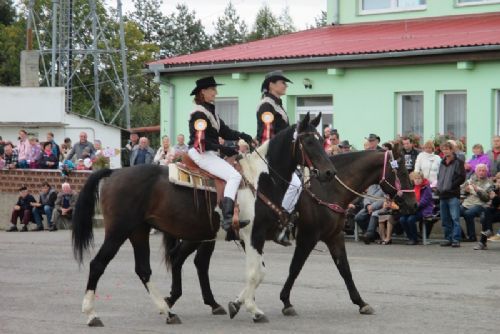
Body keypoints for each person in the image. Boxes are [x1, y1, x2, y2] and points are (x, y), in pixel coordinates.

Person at [187, 76, 253, 241]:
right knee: (234, 176)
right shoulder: (199, 114)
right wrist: (224, 148)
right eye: (213, 89)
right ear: (203, 92)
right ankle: (228, 217)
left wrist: (243, 135)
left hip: (210, 152)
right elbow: (200, 141)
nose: (216, 92)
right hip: (201, 153)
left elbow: (226, 132)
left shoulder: (211, 113)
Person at [256, 70, 299, 245]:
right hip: (270, 153)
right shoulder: (267, 105)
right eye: (282, 82)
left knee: (297, 184)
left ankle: (281, 221)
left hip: (280, 154)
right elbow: (268, 134)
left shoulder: (277, 104)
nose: (285, 85)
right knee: (295, 184)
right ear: (271, 85)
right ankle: (279, 222)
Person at [437, 142, 466, 247]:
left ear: (452, 150)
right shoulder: (442, 162)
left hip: (453, 194)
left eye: (447, 149)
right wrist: (439, 187)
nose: (445, 151)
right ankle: (448, 238)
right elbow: (439, 176)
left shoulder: (458, 162)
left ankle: (456, 239)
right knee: (445, 219)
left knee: (455, 218)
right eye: (443, 149)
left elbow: (462, 177)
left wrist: (450, 185)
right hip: (443, 194)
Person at [459, 163, 493, 242]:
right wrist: (465, 190)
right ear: (476, 171)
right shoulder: (471, 179)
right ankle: (462, 235)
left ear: (486, 172)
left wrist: (478, 191)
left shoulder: (489, 183)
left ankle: (472, 237)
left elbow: (486, 198)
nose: (481, 172)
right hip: (467, 203)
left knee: (468, 213)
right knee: (453, 212)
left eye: (483, 171)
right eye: (479, 170)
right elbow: (461, 189)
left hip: (480, 205)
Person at [399, 171, 434, 245]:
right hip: (413, 209)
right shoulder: (412, 187)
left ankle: (415, 239)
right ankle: (410, 237)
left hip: (424, 210)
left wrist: (414, 205)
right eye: (415, 179)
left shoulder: (426, 187)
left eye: (419, 178)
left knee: (410, 219)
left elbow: (425, 201)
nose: (417, 180)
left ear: (422, 179)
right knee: (402, 219)